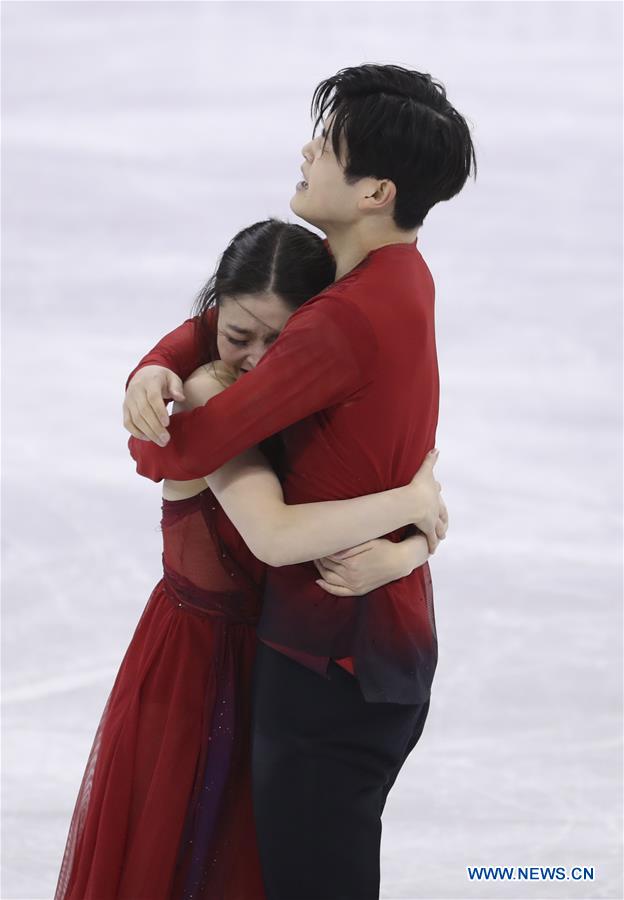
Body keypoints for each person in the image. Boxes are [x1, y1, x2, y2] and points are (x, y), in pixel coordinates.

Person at [124, 64, 475, 900]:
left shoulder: (338, 321)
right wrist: (159, 361)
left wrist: (177, 398)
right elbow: (238, 311)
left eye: (328, 147)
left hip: (330, 661)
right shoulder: (396, 276)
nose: (308, 154)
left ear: (374, 192)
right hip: (378, 643)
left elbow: (178, 451)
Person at [56, 219, 446, 900]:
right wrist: (412, 501)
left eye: (279, 342)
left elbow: (406, 515)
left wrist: (408, 547)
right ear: (216, 316)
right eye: (239, 337)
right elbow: (275, 533)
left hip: (273, 663)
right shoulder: (207, 396)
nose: (256, 361)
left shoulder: (298, 404)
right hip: (195, 666)